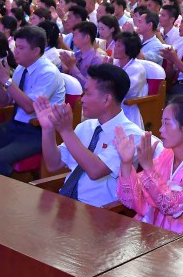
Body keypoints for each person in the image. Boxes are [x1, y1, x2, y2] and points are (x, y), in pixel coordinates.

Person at [35, 63, 143, 206]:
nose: (82, 99)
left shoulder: (130, 135)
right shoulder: (86, 126)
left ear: (106, 100)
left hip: (98, 213)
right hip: (66, 203)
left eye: (88, 93)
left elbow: (95, 170)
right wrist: (48, 129)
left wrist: (66, 131)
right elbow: (53, 164)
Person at [115, 95, 183, 233]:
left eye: (167, 124)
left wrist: (148, 167)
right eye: (162, 123)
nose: (161, 129)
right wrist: (126, 163)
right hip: (153, 229)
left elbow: (171, 207)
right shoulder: (166, 155)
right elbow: (134, 198)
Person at [0, 25, 66, 175]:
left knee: (0, 158)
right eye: (16, 46)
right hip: (15, 126)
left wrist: (5, 80)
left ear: (36, 51)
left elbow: (30, 107)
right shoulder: (21, 68)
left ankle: (0, 196)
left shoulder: (48, 73)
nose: (15, 51)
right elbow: (4, 102)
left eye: (21, 48)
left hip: (37, 131)